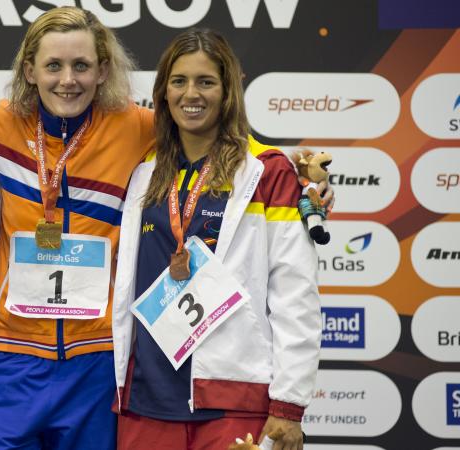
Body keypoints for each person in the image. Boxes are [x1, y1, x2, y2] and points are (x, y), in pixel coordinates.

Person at [0, 9, 332, 450]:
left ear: (103, 68)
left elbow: (217, 141)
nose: (69, 79)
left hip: (95, 364)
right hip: (12, 361)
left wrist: (305, 179)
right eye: (55, 66)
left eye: (82, 66)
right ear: (29, 70)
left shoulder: (137, 127)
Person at [110, 28, 320, 450]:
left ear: (228, 92)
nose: (192, 94)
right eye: (179, 81)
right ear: (163, 92)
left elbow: (295, 293)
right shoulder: (144, 173)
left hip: (232, 397)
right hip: (145, 398)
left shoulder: (267, 171)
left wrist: (288, 405)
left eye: (206, 81)